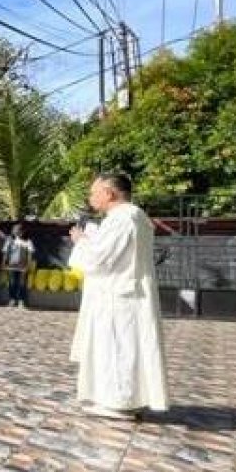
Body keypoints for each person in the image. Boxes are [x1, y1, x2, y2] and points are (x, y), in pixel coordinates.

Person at [68, 173, 168, 420]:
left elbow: (99, 258)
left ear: (109, 193)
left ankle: (120, 403)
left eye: (94, 192)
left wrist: (80, 241)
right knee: (122, 348)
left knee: (119, 349)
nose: (91, 198)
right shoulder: (131, 217)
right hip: (122, 295)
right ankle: (124, 400)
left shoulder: (123, 218)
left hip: (120, 298)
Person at [1, 224, 33, 308]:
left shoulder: (28, 242)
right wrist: (3, 263)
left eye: (19, 230)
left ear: (22, 231)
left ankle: (21, 301)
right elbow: (5, 253)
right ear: (13, 231)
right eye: (15, 230)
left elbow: (30, 255)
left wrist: (28, 266)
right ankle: (12, 300)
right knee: (12, 283)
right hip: (11, 266)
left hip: (23, 267)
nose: (17, 232)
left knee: (22, 284)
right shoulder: (9, 241)